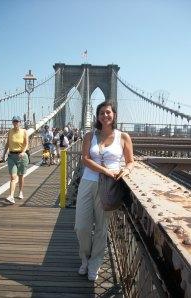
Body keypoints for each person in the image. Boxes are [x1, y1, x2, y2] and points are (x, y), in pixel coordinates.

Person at [74, 101, 134, 281]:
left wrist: (126, 170)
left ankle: (94, 263)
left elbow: (131, 161)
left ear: (114, 115)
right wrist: (106, 170)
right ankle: (84, 258)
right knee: (82, 227)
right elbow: (85, 159)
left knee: (101, 227)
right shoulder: (89, 135)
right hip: (88, 182)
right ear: (97, 116)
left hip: (109, 186)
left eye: (108, 112)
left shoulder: (123, 137)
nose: (105, 115)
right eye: (101, 113)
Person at [2, 116, 29, 204]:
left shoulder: (24, 131)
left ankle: (20, 192)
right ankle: (11, 196)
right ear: (12, 122)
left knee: (20, 176)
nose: (15, 123)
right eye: (14, 121)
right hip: (11, 156)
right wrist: (3, 155)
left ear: (20, 122)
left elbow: (26, 144)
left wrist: (23, 152)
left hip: (21, 156)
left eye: (17, 121)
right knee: (13, 177)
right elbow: (7, 144)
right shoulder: (10, 131)